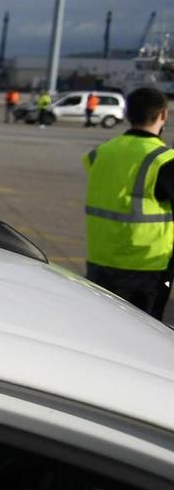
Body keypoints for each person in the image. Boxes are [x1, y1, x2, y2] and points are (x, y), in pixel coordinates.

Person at [81, 85, 172, 320]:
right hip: (145, 266)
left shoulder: (100, 153)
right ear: (163, 115)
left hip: (100, 260)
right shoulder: (163, 160)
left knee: (102, 328)